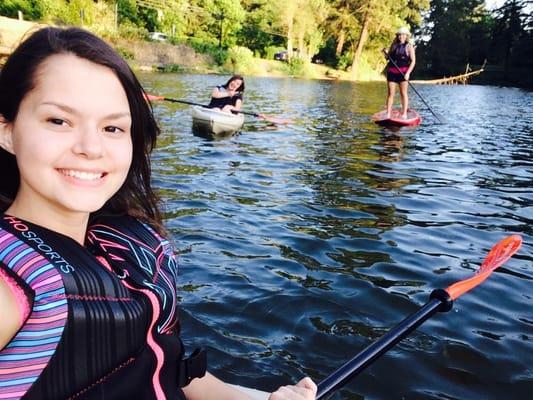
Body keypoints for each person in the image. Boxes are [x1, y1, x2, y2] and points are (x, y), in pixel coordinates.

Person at [0, 27, 317, 400]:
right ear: (7, 130)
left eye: (112, 127)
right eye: (59, 121)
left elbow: (166, 364)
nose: (90, 147)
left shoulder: (120, 242)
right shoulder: (10, 289)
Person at [383, 27, 416, 119]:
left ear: (406, 36)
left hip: (403, 73)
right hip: (392, 73)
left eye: (403, 35)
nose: (401, 36)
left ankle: (404, 113)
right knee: (390, 94)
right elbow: (388, 58)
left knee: (403, 93)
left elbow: (413, 61)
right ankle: (388, 113)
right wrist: (385, 53)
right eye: (400, 35)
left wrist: (408, 73)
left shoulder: (409, 47)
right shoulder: (394, 45)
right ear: (398, 36)